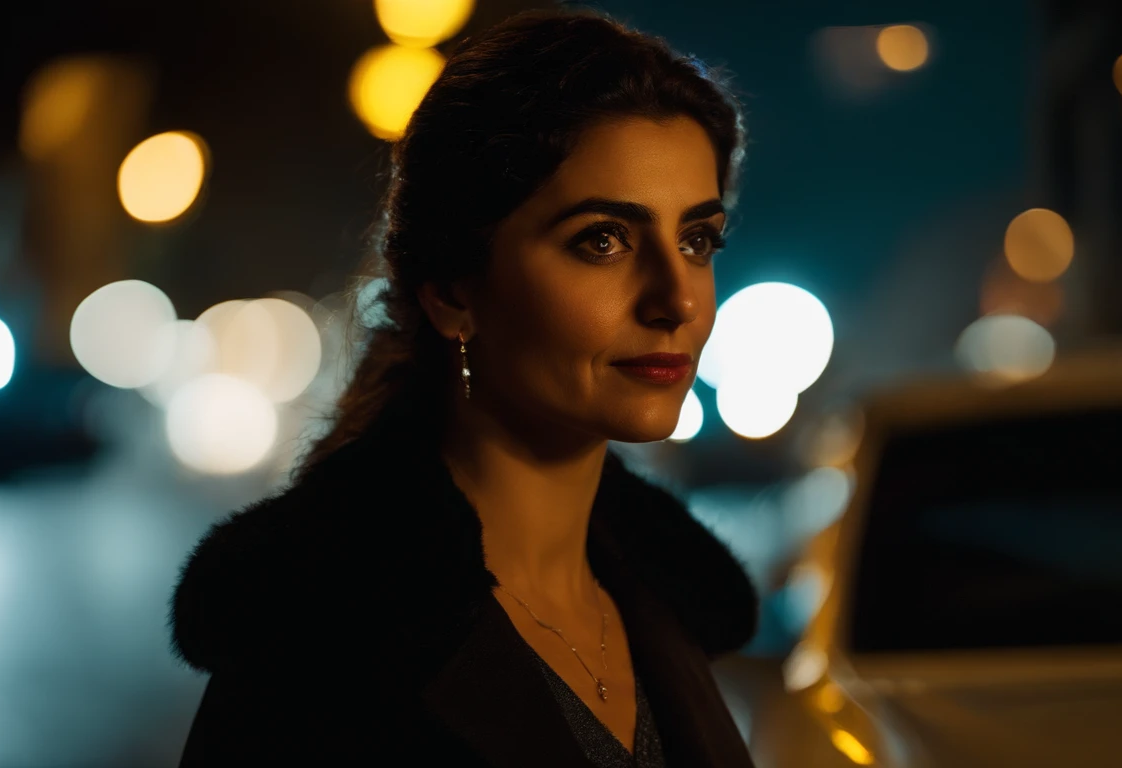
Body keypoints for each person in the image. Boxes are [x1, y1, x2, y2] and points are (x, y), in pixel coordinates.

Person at [169, 7, 758, 766]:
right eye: (602, 241)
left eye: (696, 240)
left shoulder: (665, 600)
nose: (676, 300)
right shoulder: (316, 644)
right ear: (452, 291)